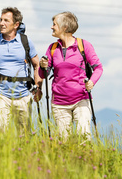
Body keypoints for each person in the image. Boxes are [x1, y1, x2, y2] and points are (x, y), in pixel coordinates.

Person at [0, 7, 42, 131]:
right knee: (2, 132)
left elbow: (37, 65)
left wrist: (38, 87)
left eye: (6, 20)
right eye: (0, 20)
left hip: (23, 95)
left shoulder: (26, 42)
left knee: (25, 135)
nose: (1, 23)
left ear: (16, 25)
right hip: (0, 94)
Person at [39, 11, 103, 139]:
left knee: (83, 138)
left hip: (81, 100)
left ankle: (86, 158)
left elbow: (98, 68)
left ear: (64, 27)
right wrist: (42, 66)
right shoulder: (52, 48)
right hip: (59, 102)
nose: (52, 27)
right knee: (63, 141)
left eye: (54, 24)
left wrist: (92, 82)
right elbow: (44, 74)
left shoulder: (84, 45)